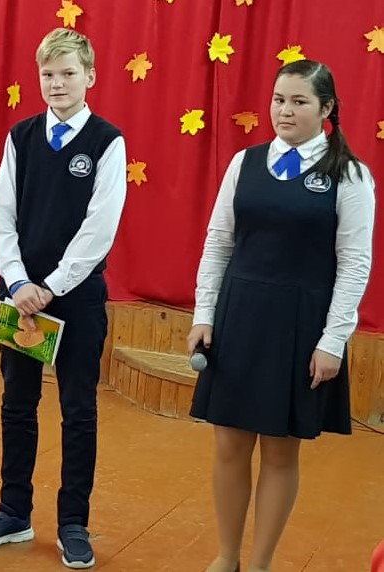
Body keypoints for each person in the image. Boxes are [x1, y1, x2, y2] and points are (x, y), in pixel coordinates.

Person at [187, 60, 375, 572]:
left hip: (300, 326)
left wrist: (332, 341)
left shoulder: (350, 175)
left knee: (279, 451)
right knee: (229, 444)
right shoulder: (243, 163)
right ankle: (227, 556)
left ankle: (260, 563)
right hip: (239, 317)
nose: (284, 111)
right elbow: (218, 243)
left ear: (326, 108)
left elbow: (355, 264)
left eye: (298, 102)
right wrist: (204, 313)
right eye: (278, 100)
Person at [0, 28, 127, 569]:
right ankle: (13, 512)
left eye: (68, 73)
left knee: (78, 410)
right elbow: (1, 216)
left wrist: (52, 286)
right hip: (21, 297)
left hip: (75, 298)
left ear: (90, 77)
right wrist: (17, 283)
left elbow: (99, 228)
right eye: (48, 74)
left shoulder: (107, 141)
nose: (57, 84)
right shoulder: (21, 136)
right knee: (17, 405)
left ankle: (73, 522)